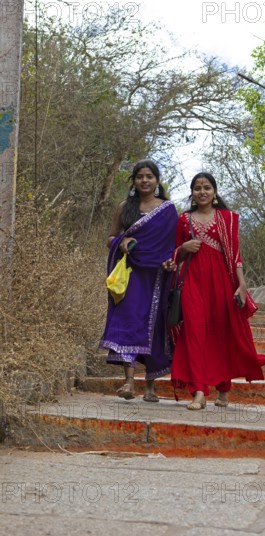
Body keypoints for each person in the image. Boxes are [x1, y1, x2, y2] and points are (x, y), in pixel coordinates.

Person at [168, 172, 265, 410]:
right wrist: (184, 248)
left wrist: (241, 285)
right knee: (195, 333)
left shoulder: (228, 219)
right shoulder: (183, 220)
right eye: (197, 188)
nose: (202, 192)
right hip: (192, 282)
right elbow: (173, 256)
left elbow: (236, 256)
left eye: (207, 187)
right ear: (192, 193)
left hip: (222, 282)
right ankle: (198, 391)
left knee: (221, 333)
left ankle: (223, 389)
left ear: (215, 192)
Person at [99, 159, 178, 402]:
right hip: (130, 275)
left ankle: (151, 386)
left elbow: (173, 245)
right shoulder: (125, 207)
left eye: (149, 176)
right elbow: (110, 237)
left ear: (157, 180)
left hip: (157, 276)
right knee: (129, 321)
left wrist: (171, 262)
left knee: (154, 326)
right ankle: (129, 382)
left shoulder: (167, 210)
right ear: (133, 181)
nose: (145, 180)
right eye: (140, 176)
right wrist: (120, 242)